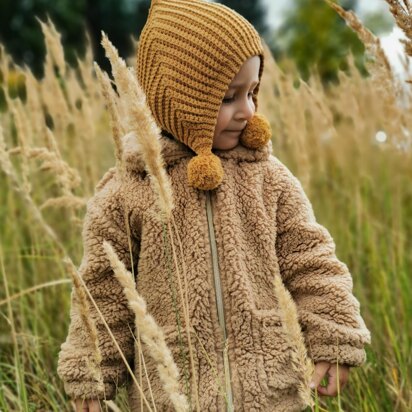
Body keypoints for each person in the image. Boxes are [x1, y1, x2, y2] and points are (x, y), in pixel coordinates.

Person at [57, 0, 371, 411]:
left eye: (252, 92)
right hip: (170, 393)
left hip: (271, 389)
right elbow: (102, 290)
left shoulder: (268, 177)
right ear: (178, 101)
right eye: (228, 97)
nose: (247, 111)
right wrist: (91, 377)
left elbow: (311, 258)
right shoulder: (128, 189)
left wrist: (333, 336)